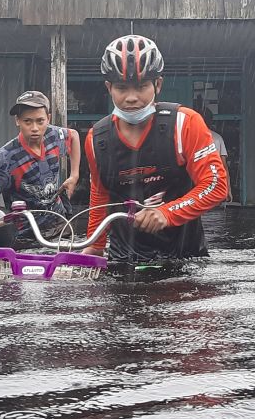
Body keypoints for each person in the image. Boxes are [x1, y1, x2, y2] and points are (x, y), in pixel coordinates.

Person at [83, 35, 228, 261]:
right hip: (124, 259)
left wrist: (167, 213)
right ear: (109, 88)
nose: (132, 98)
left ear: (157, 85)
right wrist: (94, 245)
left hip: (185, 256)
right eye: (122, 88)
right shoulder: (96, 138)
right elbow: (100, 193)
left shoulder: (185, 123)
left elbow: (216, 185)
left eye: (141, 87)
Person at [0, 91, 81, 235]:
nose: (35, 128)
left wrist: (74, 175)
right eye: (27, 121)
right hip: (26, 233)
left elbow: (74, 136)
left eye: (40, 121)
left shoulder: (54, 135)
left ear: (48, 119)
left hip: (60, 223)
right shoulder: (7, 157)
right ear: (17, 121)